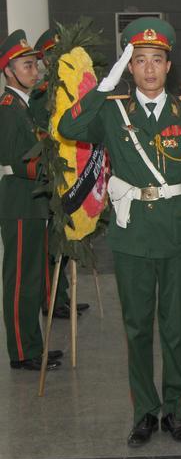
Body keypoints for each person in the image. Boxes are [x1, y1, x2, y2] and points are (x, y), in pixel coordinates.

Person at [57, 17, 181, 447]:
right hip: (132, 237)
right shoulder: (112, 110)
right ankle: (145, 411)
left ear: (169, 66)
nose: (148, 68)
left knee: (175, 330)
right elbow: (67, 129)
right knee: (138, 329)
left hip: (178, 235)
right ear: (129, 66)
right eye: (139, 60)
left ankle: (175, 411)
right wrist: (102, 88)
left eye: (156, 60)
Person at [0, 29, 63, 372]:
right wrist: (58, 168)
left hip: (33, 201)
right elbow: (17, 159)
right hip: (20, 202)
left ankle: (33, 345)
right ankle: (22, 351)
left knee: (34, 278)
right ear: (8, 71)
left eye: (34, 64)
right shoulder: (9, 109)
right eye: (26, 65)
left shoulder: (23, 107)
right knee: (21, 280)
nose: (34, 70)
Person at [30, 27, 90, 319]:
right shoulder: (43, 94)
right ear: (45, 60)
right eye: (53, 55)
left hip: (73, 169)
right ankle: (51, 298)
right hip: (55, 174)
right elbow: (42, 134)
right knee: (54, 242)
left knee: (66, 237)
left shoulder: (72, 85)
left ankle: (61, 294)